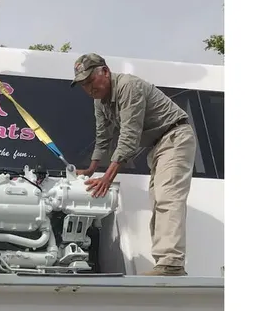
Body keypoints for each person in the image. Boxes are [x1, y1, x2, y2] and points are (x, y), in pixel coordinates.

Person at [70, 53, 196, 276]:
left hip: (175, 136)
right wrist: (91, 169)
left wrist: (107, 178)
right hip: (158, 145)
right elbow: (103, 136)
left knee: (167, 197)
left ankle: (171, 264)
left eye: (91, 81)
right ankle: (167, 263)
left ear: (105, 72)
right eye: (83, 85)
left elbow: (129, 135)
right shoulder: (100, 101)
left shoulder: (128, 86)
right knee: (158, 200)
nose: (89, 88)